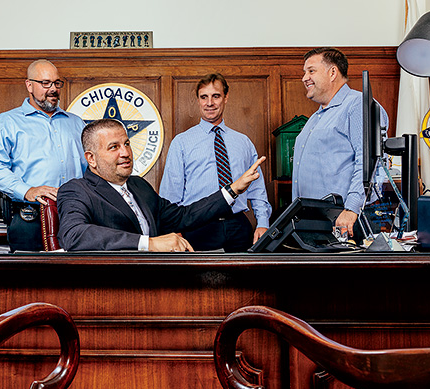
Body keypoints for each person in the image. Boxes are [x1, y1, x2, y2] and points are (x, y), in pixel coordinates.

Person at [57, 119, 265, 252]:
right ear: (91, 159)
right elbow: (74, 235)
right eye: (114, 147)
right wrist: (150, 244)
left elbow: (183, 216)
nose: (125, 153)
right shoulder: (76, 190)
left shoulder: (139, 186)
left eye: (127, 144)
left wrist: (233, 190)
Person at [0, 59, 87, 251]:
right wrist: (26, 190)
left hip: (76, 217)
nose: (53, 89)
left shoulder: (77, 123)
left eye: (56, 83)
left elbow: (91, 168)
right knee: (29, 279)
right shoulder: (7, 122)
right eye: (45, 83)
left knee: (75, 279)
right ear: (29, 85)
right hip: (30, 218)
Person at [160, 74, 271, 252]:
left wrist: (263, 224)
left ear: (226, 98)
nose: (209, 103)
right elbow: (170, 195)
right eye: (204, 97)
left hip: (238, 227)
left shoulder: (243, 142)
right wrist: (175, 232)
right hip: (197, 227)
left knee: (242, 279)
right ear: (198, 100)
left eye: (216, 96)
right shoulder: (181, 142)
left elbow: (257, 189)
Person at [292, 47, 387, 239]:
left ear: (332, 72)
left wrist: (352, 208)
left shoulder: (358, 105)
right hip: (314, 221)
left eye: (311, 71)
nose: (304, 78)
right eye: (304, 72)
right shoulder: (316, 117)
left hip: (346, 220)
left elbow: (369, 161)